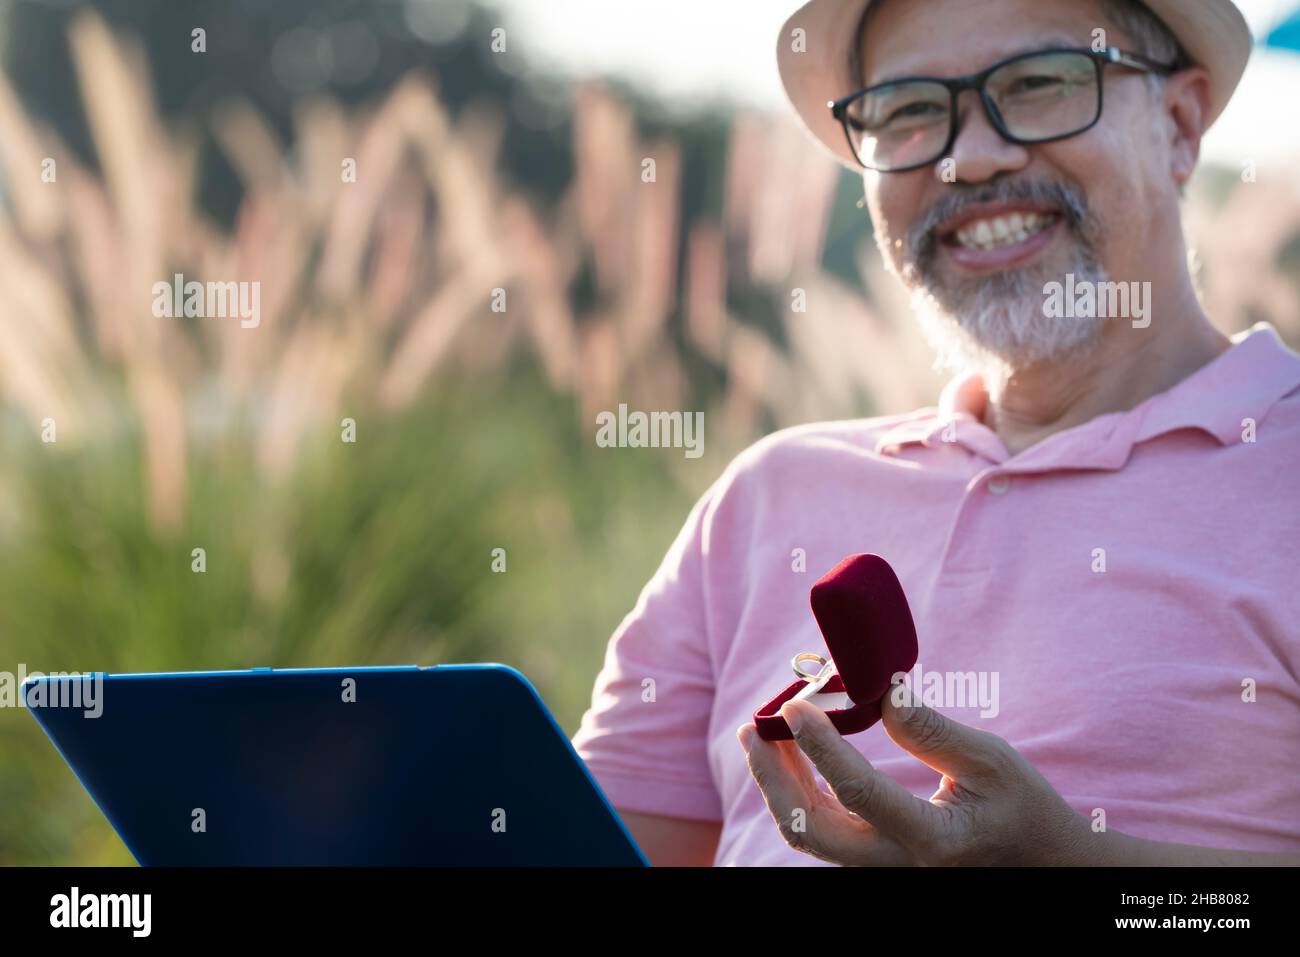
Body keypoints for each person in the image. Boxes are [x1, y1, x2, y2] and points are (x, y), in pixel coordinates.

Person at [571, 0, 1300, 865]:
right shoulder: (765, 497)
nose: (969, 157)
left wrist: (1075, 865)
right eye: (912, 108)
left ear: (1179, 123)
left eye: (1036, 85)